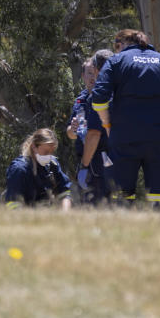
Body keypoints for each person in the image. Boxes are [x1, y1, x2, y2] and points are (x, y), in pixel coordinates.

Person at [90, 29, 160, 207]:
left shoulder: (116, 61)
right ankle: (159, 230)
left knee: (122, 194)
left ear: (120, 45)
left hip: (124, 136)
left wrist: (107, 124)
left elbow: (99, 97)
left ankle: (124, 231)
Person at [67, 49, 114, 205]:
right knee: (88, 202)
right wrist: (72, 130)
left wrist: (86, 166)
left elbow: (95, 134)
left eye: (95, 72)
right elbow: (72, 134)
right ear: (82, 76)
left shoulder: (104, 96)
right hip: (85, 157)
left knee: (101, 203)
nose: (92, 77)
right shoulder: (80, 100)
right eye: (89, 73)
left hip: (103, 158)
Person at [3, 128, 72, 208]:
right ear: (33, 147)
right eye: (46, 152)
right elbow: (13, 205)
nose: (49, 157)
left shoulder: (52, 165)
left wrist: (65, 213)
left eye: (52, 152)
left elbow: (65, 192)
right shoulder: (19, 169)